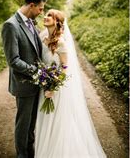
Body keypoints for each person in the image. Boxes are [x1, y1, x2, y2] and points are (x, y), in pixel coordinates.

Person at [35, 9, 106, 157]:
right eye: (46, 14)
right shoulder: (42, 37)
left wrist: (53, 87)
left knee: (58, 122)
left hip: (56, 89)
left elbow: (65, 67)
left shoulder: (60, 42)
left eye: (50, 16)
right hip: (45, 86)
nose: (46, 17)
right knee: (45, 119)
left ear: (57, 22)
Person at [2, 0, 46, 158]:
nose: (41, 12)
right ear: (31, 5)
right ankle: (22, 155)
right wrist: (37, 72)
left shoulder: (31, 23)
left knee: (31, 124)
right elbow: (13, 60)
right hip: (24, 84)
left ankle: (31, 152)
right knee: (23, 123)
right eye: (40, 9)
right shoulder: (10, 25)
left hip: (36, 84)